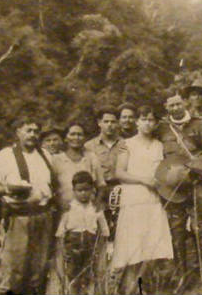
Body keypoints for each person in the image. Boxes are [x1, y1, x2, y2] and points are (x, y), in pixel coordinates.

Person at [155, 94, 202, 292]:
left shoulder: (198, 124)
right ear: (166, 107)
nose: (176, 107)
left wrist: (194, 165)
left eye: (179, 103)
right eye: (171, 105)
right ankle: (182, 277)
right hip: (173, 187)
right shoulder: (161, 128)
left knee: (201, 228)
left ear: (184, 104)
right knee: (176, 231)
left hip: (196, 183)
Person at [0, 116, 54, 295]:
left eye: (36, 131)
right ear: (18, 132)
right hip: (18, 218)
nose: (32, 135)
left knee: (38, 270)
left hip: (42, 217)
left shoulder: (45, 155)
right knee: (14, 270)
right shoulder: (5, 156)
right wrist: (8, 189)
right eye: (28, 130)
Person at [111, 106, 173, 294]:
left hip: (153, 199)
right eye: (144, 119)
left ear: (156, 123)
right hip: (134, 198)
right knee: (133, 249)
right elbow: (119, 173)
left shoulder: (159, 145)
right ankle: (130, 291)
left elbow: (163, 172)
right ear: (137, 121)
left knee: (151, 248)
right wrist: (144, 180)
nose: (148, 123)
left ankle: (143, 290)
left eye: (151, 120)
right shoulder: (127, 144)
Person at [84, 105, 127, 292]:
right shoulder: (89, 146)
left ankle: (119, 281)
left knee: (121, 235)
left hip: (121, 192)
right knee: (100, 237)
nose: (110, 125)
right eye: (106, 121)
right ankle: (98, 282)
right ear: (99, 123)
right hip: (99, 194)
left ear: (118, 123)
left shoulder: (126, 144)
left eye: (113, 121)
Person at [55, 171, 109, 295]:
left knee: (90, 275)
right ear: (73, 190)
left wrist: (100, 249)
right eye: (79, 190)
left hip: (91, 248)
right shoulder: (68, 209)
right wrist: (62, 251)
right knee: (73, 276)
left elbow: (104, 231)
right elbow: (60, 233)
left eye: (87, 190)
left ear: (92, 190)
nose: (83, 194)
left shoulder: (96, 208)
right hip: (73, 249)